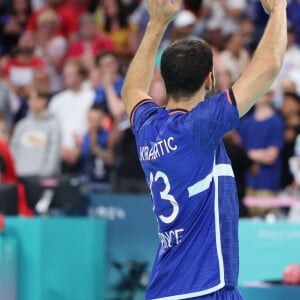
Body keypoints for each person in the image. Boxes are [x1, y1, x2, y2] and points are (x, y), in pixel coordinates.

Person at [121, 0, 287, 299]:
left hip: (162, 288)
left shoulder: (147, 126)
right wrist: (279, 9)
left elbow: (131, 89)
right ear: (209, 80)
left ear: (164, 80)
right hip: (204, 288)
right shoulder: (199, 127)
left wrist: (156, 24)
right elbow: (268, 68)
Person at [10, 86, 61, 177]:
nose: (31, 102)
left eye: (35, 98)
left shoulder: (53, 125)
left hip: (42, 178)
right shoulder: (21, 125)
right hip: (20, 175)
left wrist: (45, 174)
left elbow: (53, 154)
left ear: (44, 100)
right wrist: (15, 172)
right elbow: (13, 151)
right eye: (29, 98)